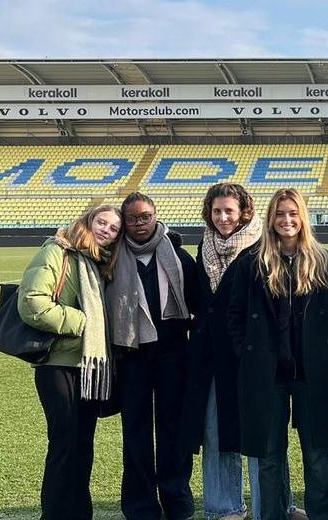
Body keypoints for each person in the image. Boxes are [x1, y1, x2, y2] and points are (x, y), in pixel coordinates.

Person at [227, 188, 328, 520]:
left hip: (313, 374)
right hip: (267, 375)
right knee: (269, 456)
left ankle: (324, 515)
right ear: (270, 219)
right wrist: (247, 353)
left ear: (302, 217)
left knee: (317, 453)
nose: (286, 220)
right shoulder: (251, 261)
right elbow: (234, 316)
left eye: (292, 213)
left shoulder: (325, 261)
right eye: (280, 214)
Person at [18, 205, 122, 520]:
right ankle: (55, 514)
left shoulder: (99, 261)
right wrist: (82, 322)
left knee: (83, 444)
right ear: (87, 221)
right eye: (101, 222)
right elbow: (31, 302)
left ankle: (80, 513)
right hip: (58, 365)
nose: (106, 229)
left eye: (114, 228)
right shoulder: (58, 251)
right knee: (64, 444)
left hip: (90, 368)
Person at [108, 193, 196, 520]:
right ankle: (140, 506)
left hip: (174, 355)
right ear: (124, 222)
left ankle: (178, 502)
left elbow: (196, 304)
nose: (140, 224)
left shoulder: (179, 257)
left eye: (145, 217)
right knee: (135, 432)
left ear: (155, 216)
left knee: (173, 431)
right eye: (133, 218)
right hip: (132, 358)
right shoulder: (112, 259)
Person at [181, 183, 266, 520]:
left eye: (229, 210)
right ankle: (224, 507)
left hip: (249, 353)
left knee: (261, 430)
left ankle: (275, 502)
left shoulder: (261, 247)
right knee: (215, 430)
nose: (223, 217)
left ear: (243, 211)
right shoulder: (204, 245)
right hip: (209, 354)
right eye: (217, 211)